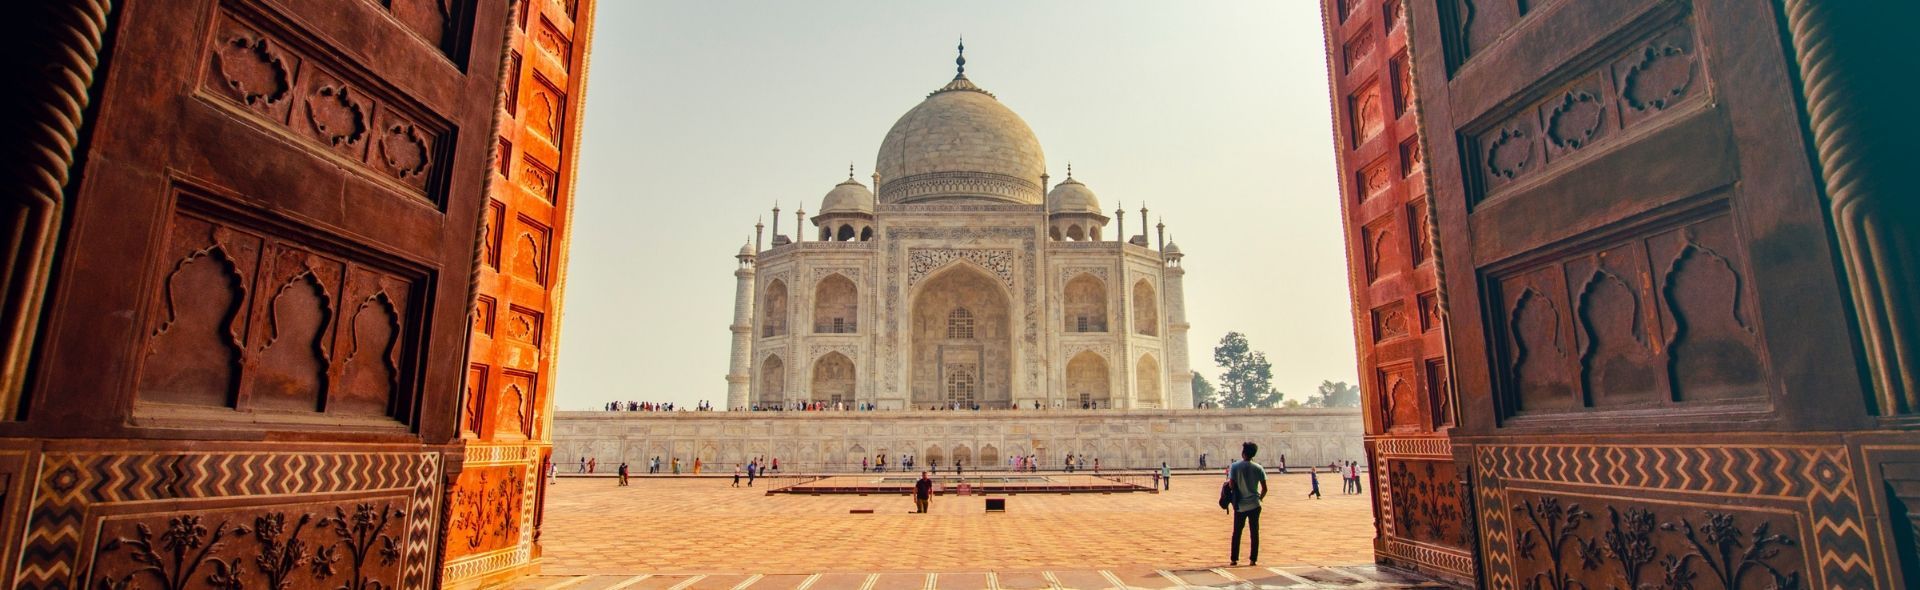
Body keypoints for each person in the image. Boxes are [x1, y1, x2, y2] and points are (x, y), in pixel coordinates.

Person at [1227, 441, 1268, 567]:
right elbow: (1265, 488)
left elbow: (1231, 485)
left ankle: (1234, 559)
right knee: (1254, 532)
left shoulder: (1235, 466)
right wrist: (1259, 499)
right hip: (1255, 505)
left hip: (1240, 505)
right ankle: (1253, 560)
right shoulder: (1258, 468)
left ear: (1243, 453)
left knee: (1237, 532)